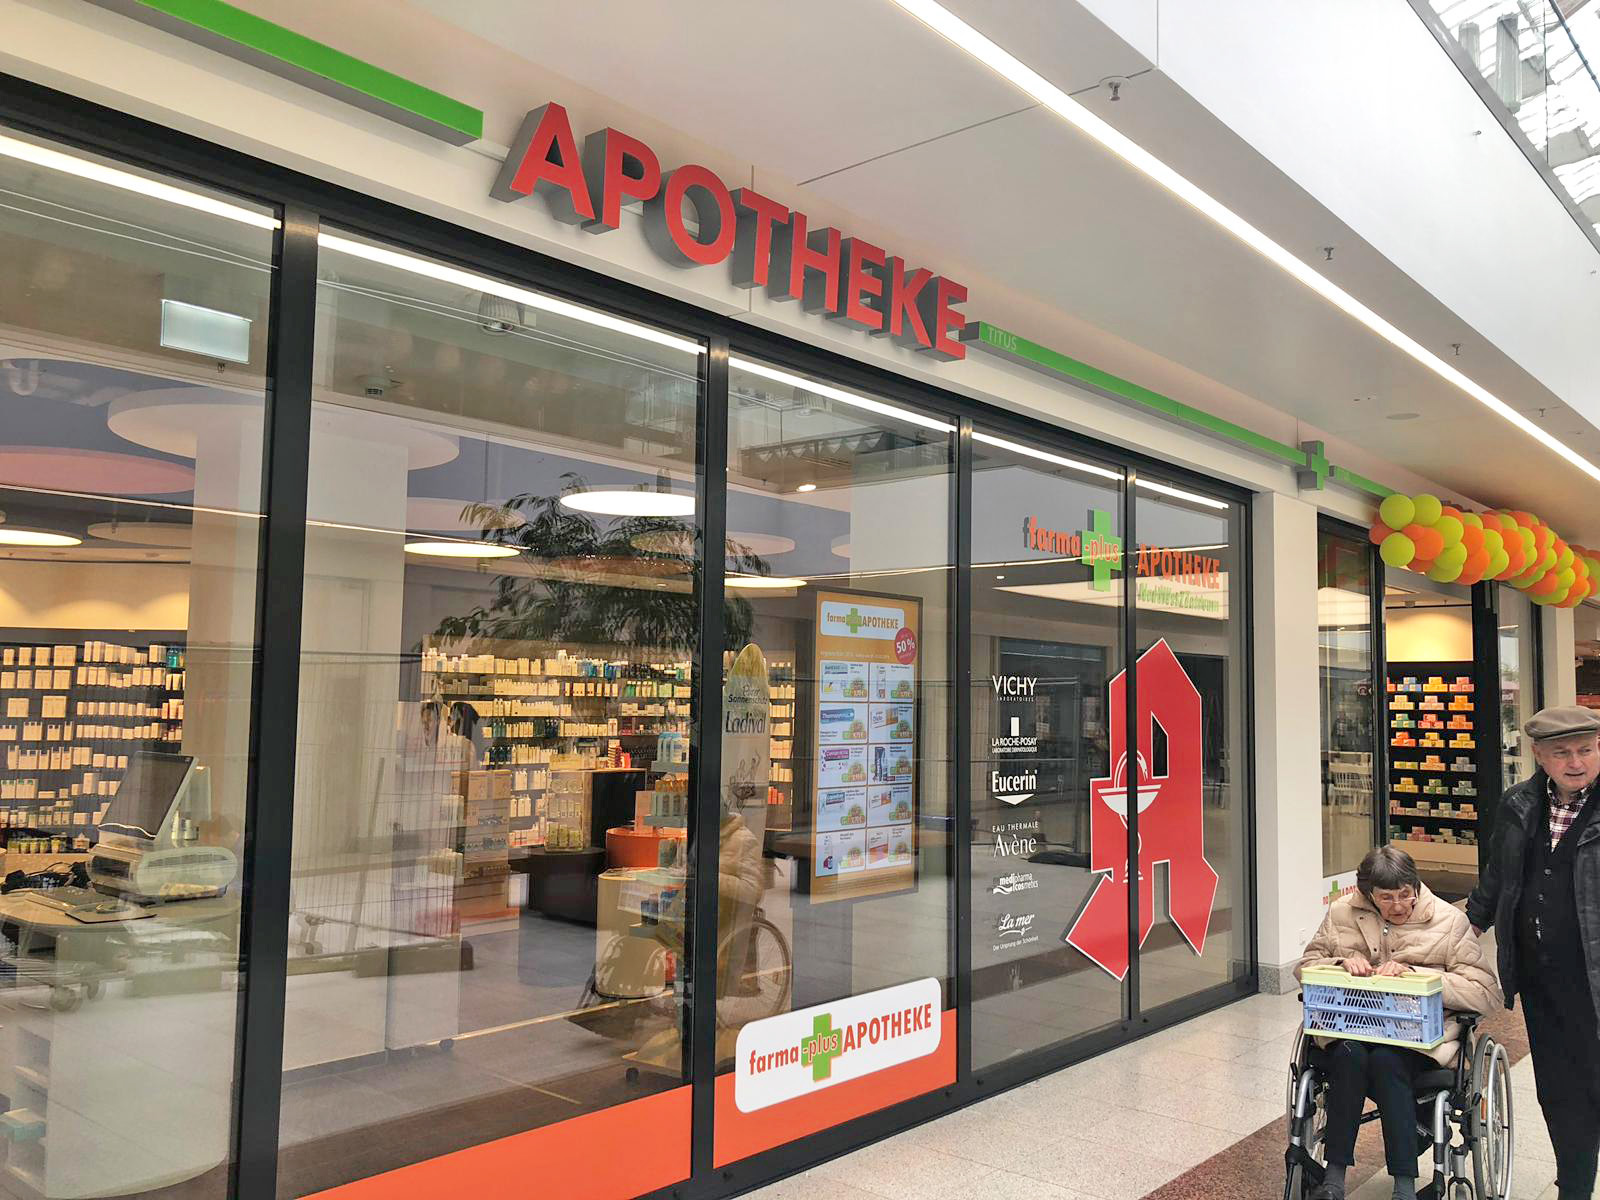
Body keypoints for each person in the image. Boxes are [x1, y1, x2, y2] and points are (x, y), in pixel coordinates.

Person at [1299, 846, 1500, 1200]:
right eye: (1386, 897)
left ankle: (1404, 1186)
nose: (1397, 905)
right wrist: (1340, 965)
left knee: (1387, 1060)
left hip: (1419, 1039)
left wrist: (1417, 975)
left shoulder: (1447, 921)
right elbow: (1306, 966)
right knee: (1347, 1055)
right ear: (1368, 894)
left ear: (1416, 886)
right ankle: (1333, 1180)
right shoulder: (1342, 913)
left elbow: (1486, 993)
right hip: (1353, 1026)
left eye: (1405, 894)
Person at [1467, 705, 1600, 1200]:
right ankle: (1575, 1186)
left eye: (1586, 750)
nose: (1576, 762)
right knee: (1558, 1089)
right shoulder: (1518, 803)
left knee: (1592, 1082)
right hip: (1540, 976)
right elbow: (1498, 876)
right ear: (1539, 755)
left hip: (1593, 978)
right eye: (1562, 752)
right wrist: (1465, 927)